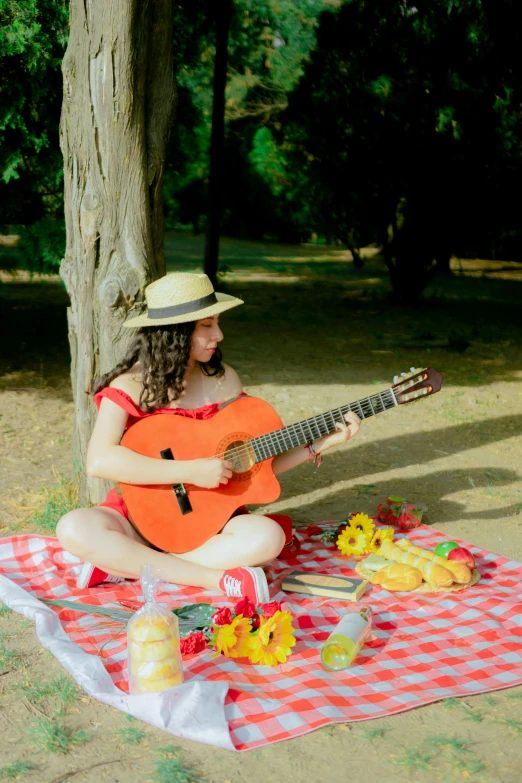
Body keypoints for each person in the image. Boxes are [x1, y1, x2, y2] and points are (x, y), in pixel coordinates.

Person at [57, 273, 361, 602]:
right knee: (73, 527)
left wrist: (317, 444)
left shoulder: (225, 380)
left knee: (267, 538)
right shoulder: (130, 385)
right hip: (139, 519)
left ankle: (129, 562)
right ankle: (211, 579)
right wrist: (190, 472)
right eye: (206, 326)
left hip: (210, 526)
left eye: (216, 323)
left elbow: (256, 462)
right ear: (175, 332)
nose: (218, 334)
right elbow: (99, 460)